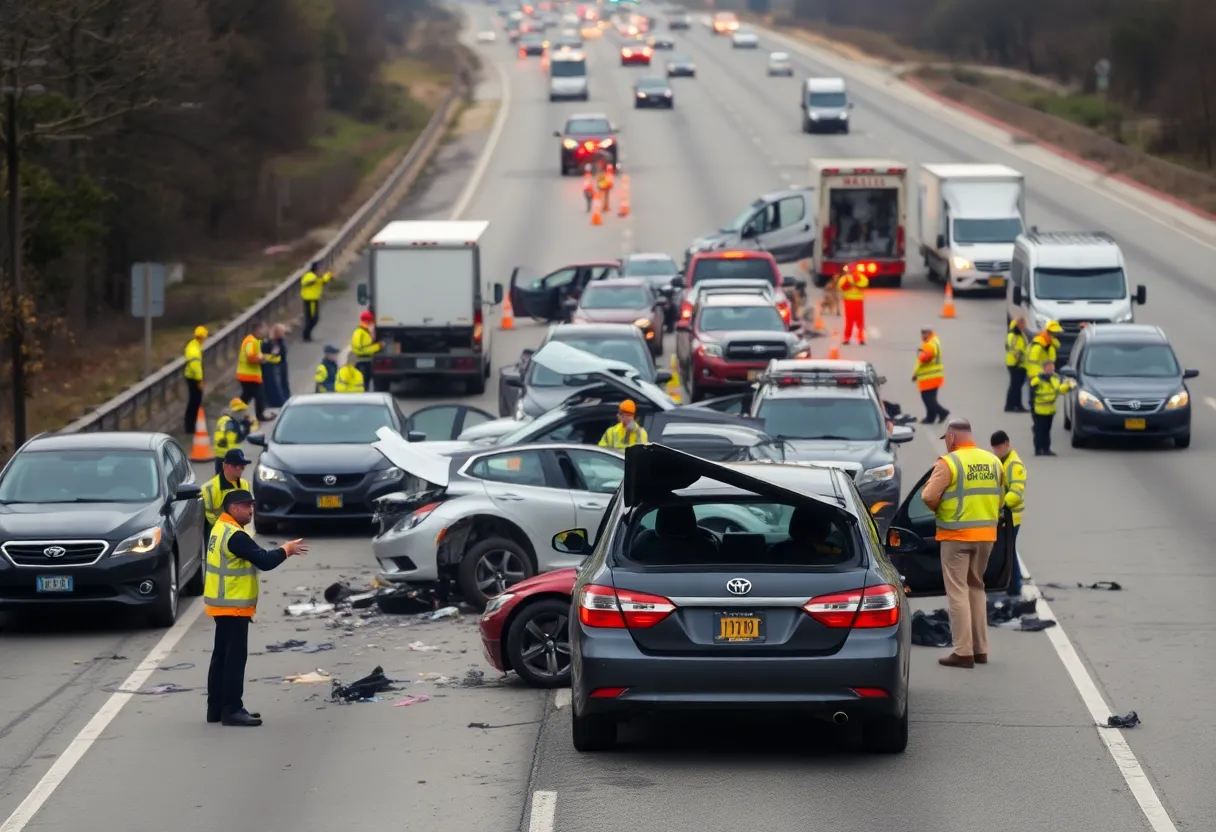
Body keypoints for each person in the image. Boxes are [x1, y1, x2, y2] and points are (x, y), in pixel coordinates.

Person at [205, 489, 308, 726]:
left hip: (221, 605)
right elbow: (264, 560)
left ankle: (216, 708)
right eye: (245, 506)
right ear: (233, 509)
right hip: (233, 606)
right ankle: (232, 709)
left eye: (251, 505)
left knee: (220, 656)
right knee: (234, 659)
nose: (251, 510)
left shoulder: (219, 529)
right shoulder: (235, 536)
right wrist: (287, 550)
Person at [922, 418, 1004, 668]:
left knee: (957, 591)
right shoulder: (993, 461)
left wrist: (940, 510)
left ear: (953, 437)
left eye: (946, 438)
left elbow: (927, 496)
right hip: (986, 536)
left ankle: (963, 652)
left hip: (956, 537)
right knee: (976, 588)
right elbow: (1000, 499)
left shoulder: (949, 463)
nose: (946, 443)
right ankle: (981, 649)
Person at [990, 430, 1026, 597]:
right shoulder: (1001, 462)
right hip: (1003, 516)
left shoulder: (1014, 465)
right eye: (994, 448)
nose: (997, 450)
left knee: (1009, 552)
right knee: (1007, 551)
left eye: (999, 447)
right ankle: (1011, 584)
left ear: (1007, 444)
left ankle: (1015, 586)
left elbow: (1016, 492)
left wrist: (1000, 507)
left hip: (1012, 517)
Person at [1028, 360, 1075, 456]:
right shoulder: (1037, 381)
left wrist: (1069, 386)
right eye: (1049, 367)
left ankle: (1046, 449)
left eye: (1052, 367)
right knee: (1039, 431)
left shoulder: (1055, 378)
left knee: (1047, 430)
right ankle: (1038, 449)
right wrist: (1032, 409)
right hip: (1039, 410)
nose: (1051, 369)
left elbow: (1059, 390)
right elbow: (1031, 396)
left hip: (1050, 409)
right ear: (1044, 368)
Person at [202, 449, 252, 533]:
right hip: (217, 532)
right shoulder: (208, 488)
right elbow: (208, 514)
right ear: (227, 466)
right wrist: (225, 528)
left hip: (238, 531)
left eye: (243, 466)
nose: (242, 469)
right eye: (240, 466)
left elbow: (247, 509)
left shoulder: (245, 484)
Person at [913, 325, 949, 424]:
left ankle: (942, 412)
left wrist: (922, 357)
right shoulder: (934, 340)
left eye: (925, 333)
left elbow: (927, 356)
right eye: (922, 333)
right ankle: (930, 417)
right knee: (931, 398)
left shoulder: (929, 344)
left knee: (927, 399)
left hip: (929, 377)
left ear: (930, 333)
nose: (923, 335)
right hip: (935, 376)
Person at [236, 321, 269, 423]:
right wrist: (262, 359)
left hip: (249, 375)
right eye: (262, 330)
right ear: (257, 329)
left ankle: (235, 412)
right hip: (249, 375)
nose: (264, 332)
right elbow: (251, 358)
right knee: (259, 395)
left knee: (247, 396)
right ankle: (260, 415)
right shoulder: (251, 341)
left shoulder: (255, 341)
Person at [213, 398, 253, 476]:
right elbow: (238, 439)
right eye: (240, 411)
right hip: (230, 456)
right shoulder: (231, 424)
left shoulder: (223, 420)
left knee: (219, 478)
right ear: (234, 412)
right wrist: (247, 427)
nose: (242, 414)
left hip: (219, 454)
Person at [300, 260, 332, 342]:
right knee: (311, 319)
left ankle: (307, 335)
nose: (321, 271)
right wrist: (317, 279)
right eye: (320, 269)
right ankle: (306, 335)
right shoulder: (309, 275)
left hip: (315, 300)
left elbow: (324, 280)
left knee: (314, 319)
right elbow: (306, 283)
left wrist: (329, 275)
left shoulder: (319, 278)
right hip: (310, 300)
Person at [183, 325, 207, 435]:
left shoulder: (193, 345)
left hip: (191, 377)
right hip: (194, 379)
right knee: (194, 402)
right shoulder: (194, 349)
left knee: (194, 401)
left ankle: (191, 425)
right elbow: (195, 366)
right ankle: (190, 427)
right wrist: (200, 380)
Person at [837, 263, 868, 345]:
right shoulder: (860, 277)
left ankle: (847, 339)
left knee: (849, 321)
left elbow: (840, 287)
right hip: (857, 301)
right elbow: (865, 284)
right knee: (859, 322)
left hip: (850, 301)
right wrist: (855, 283)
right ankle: (860, 339)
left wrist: (851, 283)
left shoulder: (845, 278)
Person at [262, 323, 289, 409]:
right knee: (273, 385)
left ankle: (285, 400)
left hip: (281, 366)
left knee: (283, 383)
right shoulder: (268, 342)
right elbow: (265, 355)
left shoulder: (280, 341)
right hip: (271, 367)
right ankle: (275, 402)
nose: (284, 334)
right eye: (282, 332)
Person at [1004, 317, 1029, 413]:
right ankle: (1014, 405)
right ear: (1019, 325)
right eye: (1023, 325)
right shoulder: (1014, 335)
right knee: (1015, 385)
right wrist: (1018, 358)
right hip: (1015, 363)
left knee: (1016, 385)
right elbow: (1013, 349)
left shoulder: (1019, 335)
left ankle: (1013, 405)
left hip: (1019, 363)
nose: (1024, 327)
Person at [350, 310, 381, 383]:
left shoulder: (363, 331)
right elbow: (362, 350)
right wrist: (378, 346)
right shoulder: (360, 333)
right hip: (362, 364)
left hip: (365, 362)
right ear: (368, 321)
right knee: (364, 383)